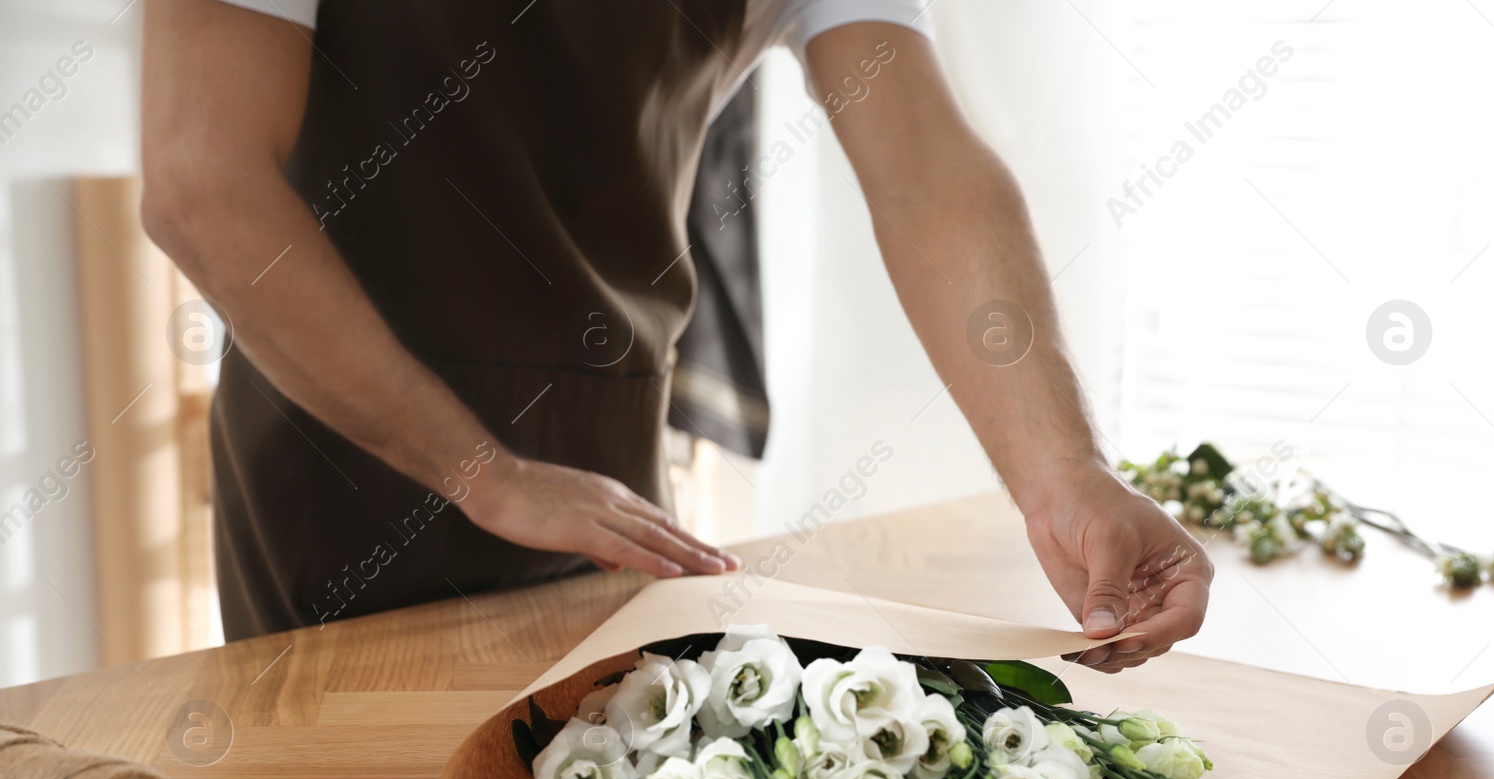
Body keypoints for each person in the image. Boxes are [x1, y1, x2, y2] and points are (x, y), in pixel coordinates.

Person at [140, 0, 1211, 672]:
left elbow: (929, 176)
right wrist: (482, 468)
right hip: (347, 469)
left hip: (608, 470)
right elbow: (201, 183)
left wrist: (1064, 473)